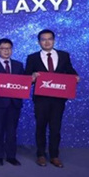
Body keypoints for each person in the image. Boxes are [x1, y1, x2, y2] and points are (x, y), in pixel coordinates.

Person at [24, 29, 79, 168]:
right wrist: (32, 77)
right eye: (43, 39)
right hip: (41, 99)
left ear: (54, 40)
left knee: (55, 128)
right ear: (39, 42)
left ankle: (54, 156)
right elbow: (26, 77)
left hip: (58, 98)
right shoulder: (32, 57)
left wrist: (75, 77)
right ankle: (41, 155)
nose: (47, 42)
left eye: (49, 39)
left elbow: (70, 71)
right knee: (40, 127)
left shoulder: (64, 55)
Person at [0, 38, 24, 166]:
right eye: (3, 48)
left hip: (14, 103)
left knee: (12, 131)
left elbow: (24, 83)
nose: (6, 51)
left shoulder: (18, 65)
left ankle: (11, 156)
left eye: (9, 48)